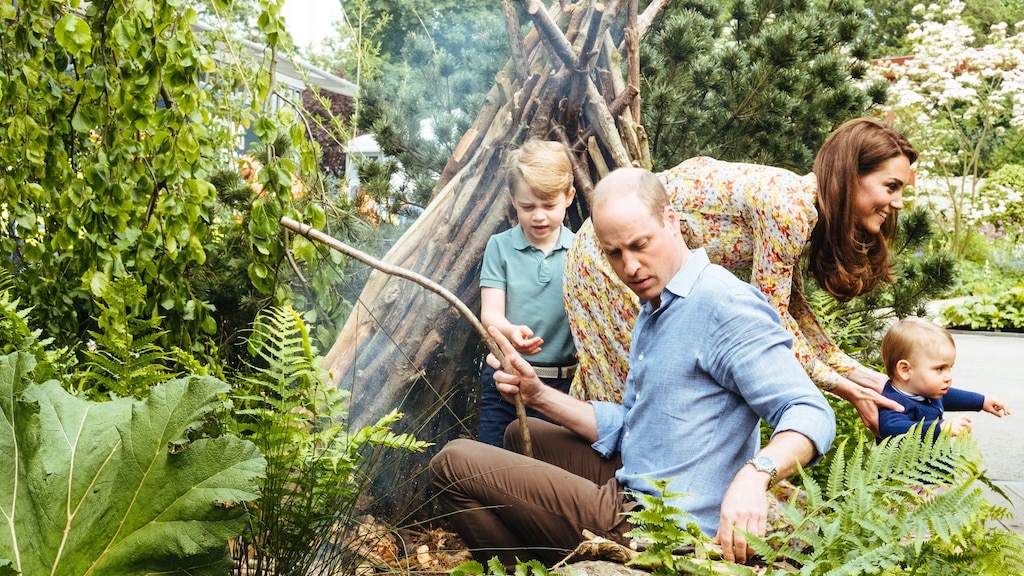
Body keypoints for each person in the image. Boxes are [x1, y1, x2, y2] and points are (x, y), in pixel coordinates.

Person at [430, 167, 835, 567]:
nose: (630, 267)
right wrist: (537, 395)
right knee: (520, 434)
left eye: (640, 245)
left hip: (660, 526)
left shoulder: (724, 304)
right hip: (639, 477)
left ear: (671, 221)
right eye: (614, 253)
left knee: (452, 462)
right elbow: (634, 425)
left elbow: (809, 412)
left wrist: (756, 474)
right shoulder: (656, 306)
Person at [565, 117, 916, 435]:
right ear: (851, 177)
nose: (898, 202)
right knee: (636, 393)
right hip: (607, 253)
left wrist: (860, 376)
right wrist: (844, 388)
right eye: (891, 186)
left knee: (628, 387)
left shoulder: (801, 207)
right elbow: (772, 323)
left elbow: (793, 310)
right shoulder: (789, 208)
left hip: (622, 251)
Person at [477, 140, 578, 446]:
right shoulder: (500, 247)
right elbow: (490, 313)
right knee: (494, 461)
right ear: (513, 200)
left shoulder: (580, 251)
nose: (539, 216)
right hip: (506, 378)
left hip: (561, 387)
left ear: (569, 197)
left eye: (549, 205)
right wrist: (511, 332)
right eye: (528, 207)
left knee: (549, 467)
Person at [877, 317, 1010, 441]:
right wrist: (939, 428)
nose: (948, 377)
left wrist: (982, 401)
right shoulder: (894, 402)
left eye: (949, 368)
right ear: (905, 370)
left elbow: (949, 397)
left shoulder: (926, 391)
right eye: (940, 368)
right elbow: (891, 428)